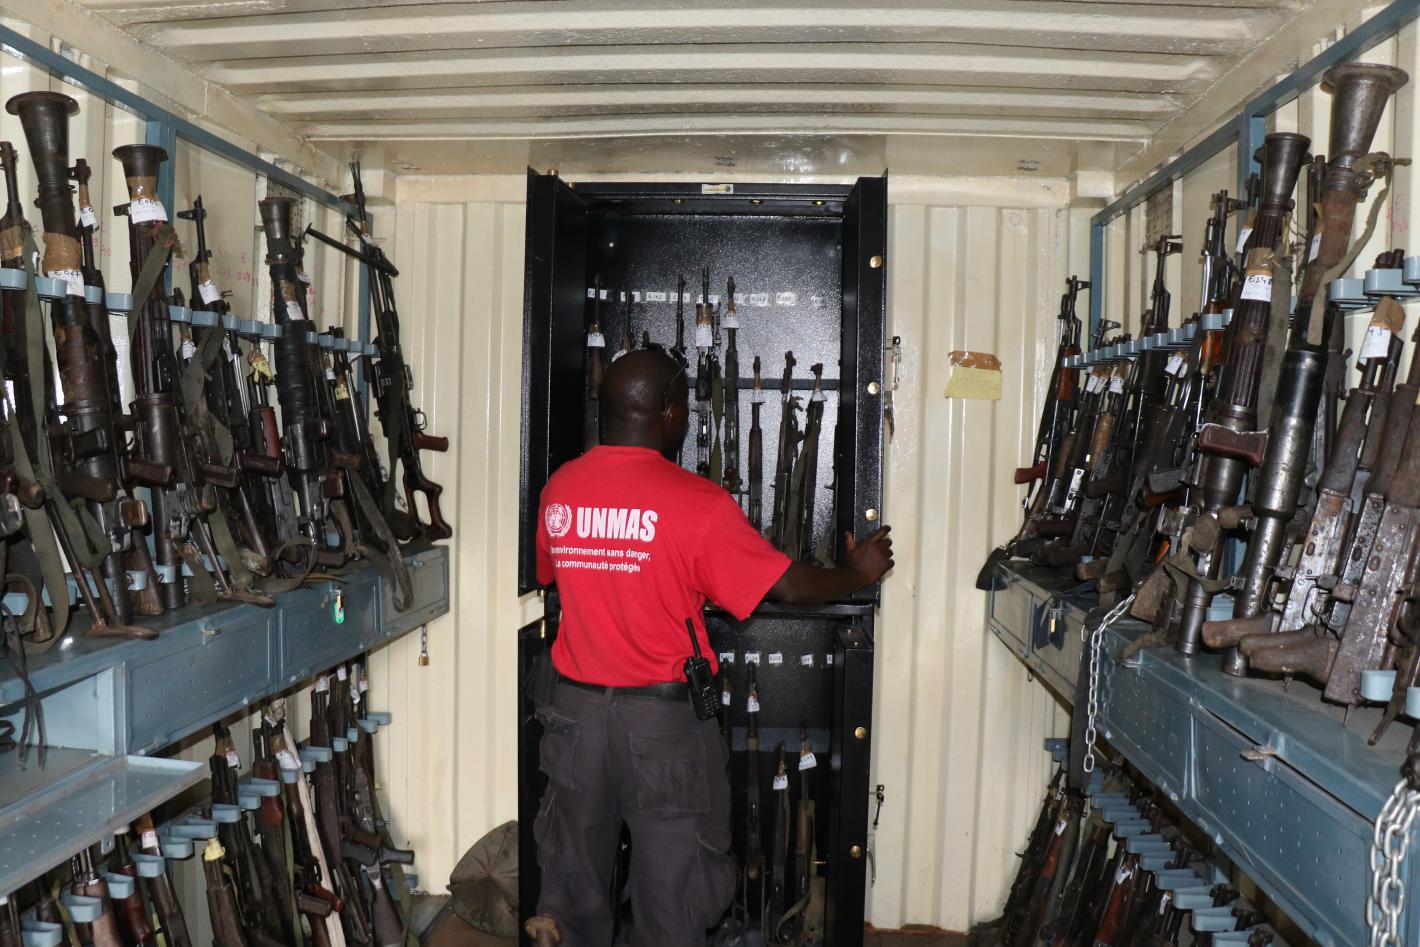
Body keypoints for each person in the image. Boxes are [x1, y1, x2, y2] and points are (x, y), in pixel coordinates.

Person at [527, 347, 893, 947]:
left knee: (569, 891)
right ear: (669, 411)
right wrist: (858, 573)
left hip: (573, 719)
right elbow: (787, 586)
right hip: (661, 728)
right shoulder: (697, 503)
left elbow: (552, 575)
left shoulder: (560, 490)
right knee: (674, 896)